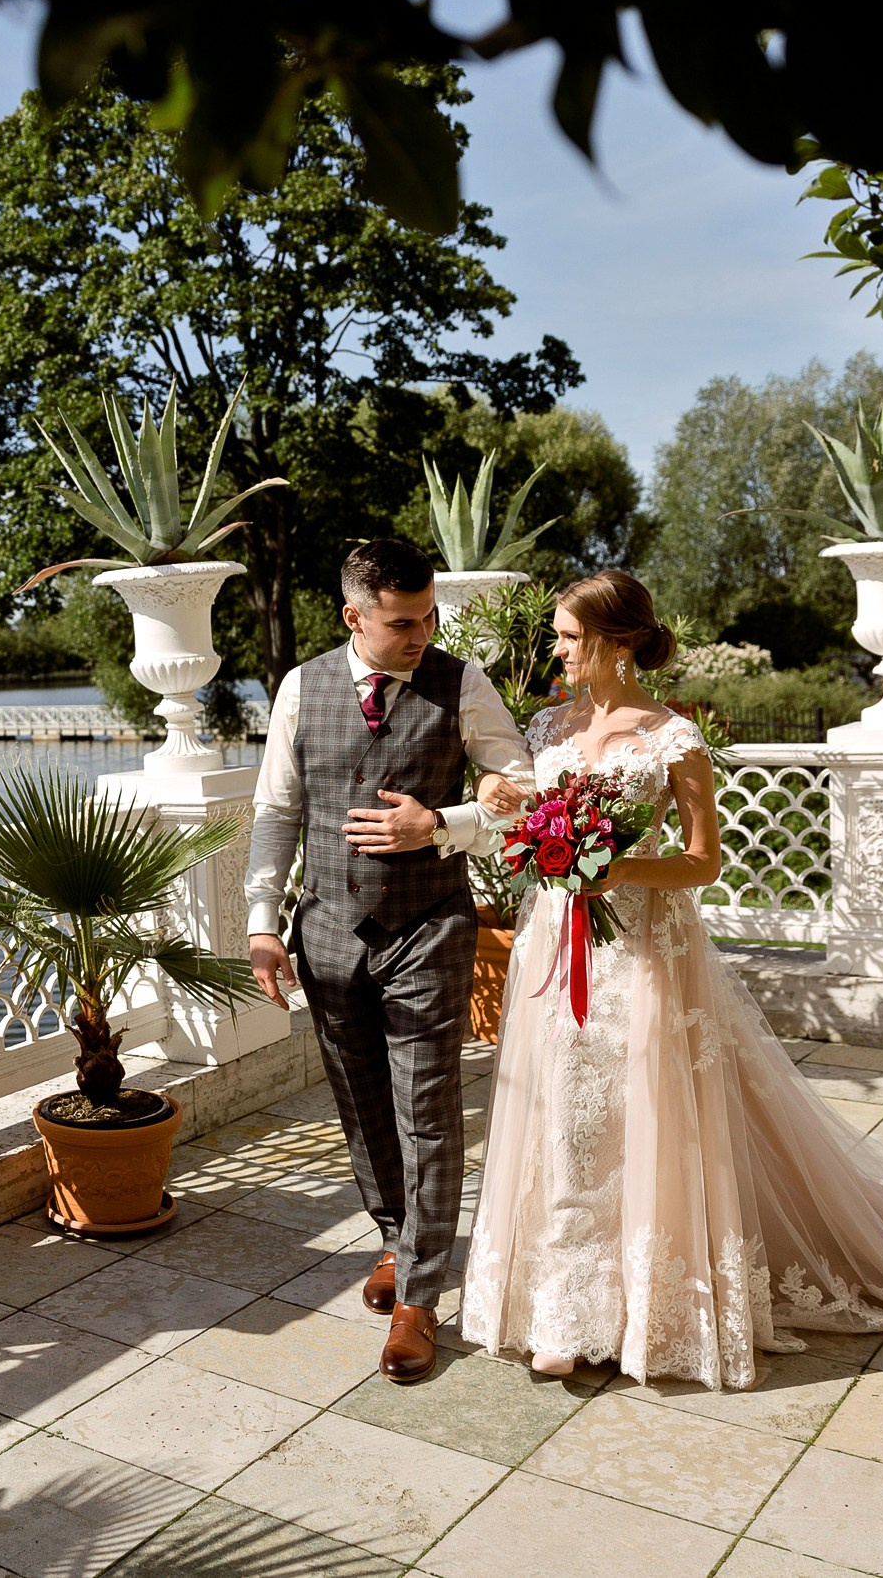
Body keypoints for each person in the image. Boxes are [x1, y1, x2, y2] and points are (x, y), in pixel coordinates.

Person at [459, 570, 883, 1390]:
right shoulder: (549, 723)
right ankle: (564, 1307)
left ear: (617, 640)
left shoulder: (674, 739)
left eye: (566, 636)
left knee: (645, 1120)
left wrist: (615, 864)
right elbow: (514, 809)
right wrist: (506, 802)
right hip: (556, 945)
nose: (555, 650)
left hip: (644, 951)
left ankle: (640, 1309)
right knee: (564, 1120)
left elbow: (703, 860)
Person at [246, 539, 532, 1384]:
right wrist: (265, 922)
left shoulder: (461, 681)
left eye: (429, 616)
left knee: (427, 1107)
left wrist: (439, 824)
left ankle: (419, 1298)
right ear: (353, 617)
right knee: (363, 1102)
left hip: (428, 927)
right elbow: (276, 809)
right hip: (327, 932)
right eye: (403, 622)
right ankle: (395, 1234)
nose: (422, 634)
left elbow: (519, 794)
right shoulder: (302, 687)